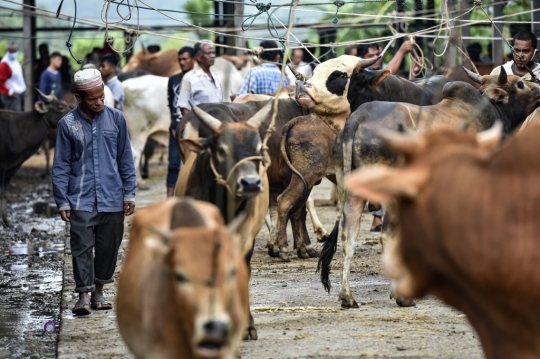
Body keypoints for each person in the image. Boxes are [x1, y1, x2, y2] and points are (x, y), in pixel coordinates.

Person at [52, 68, 136, 315]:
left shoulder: (117, 119)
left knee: (109, 246)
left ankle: (99, 292)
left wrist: (129, 193)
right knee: (81, 247)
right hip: (80, 197)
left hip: (112, 196)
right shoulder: (67, 125)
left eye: (101, 96)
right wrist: (62, 201)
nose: (99, 101)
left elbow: (125, 160)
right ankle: (84, 295)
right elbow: (61, 166)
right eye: (93, 98)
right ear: (79, 97)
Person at [166, 46, 195, 197]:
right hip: (176, 128)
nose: (182, 62)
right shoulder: (173, 80)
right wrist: (173, 123)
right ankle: (169, 199)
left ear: (193, 59)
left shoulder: (196, 79)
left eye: (185, 59)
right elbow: (171, 102)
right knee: (173, 163)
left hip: (194, 129)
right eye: (180, 60)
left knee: (192, 164)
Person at [177, 41, 223, 118]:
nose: (212, 56)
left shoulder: (216, 77)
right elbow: (183, 107)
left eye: (213, 53)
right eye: (208, 53)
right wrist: (192, 127)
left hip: (218, 125)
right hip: (200, 126)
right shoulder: (188, 78)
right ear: (198, 57)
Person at [0, 43, 26, 111]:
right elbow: (0, 81)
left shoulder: (14, 61)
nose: (13, 53)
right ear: (7, 51)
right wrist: (10, 92)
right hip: (10, 95)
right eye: (11, 51)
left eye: (15, 51)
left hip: (17, 94)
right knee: (14, 117)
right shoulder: (4, 64)